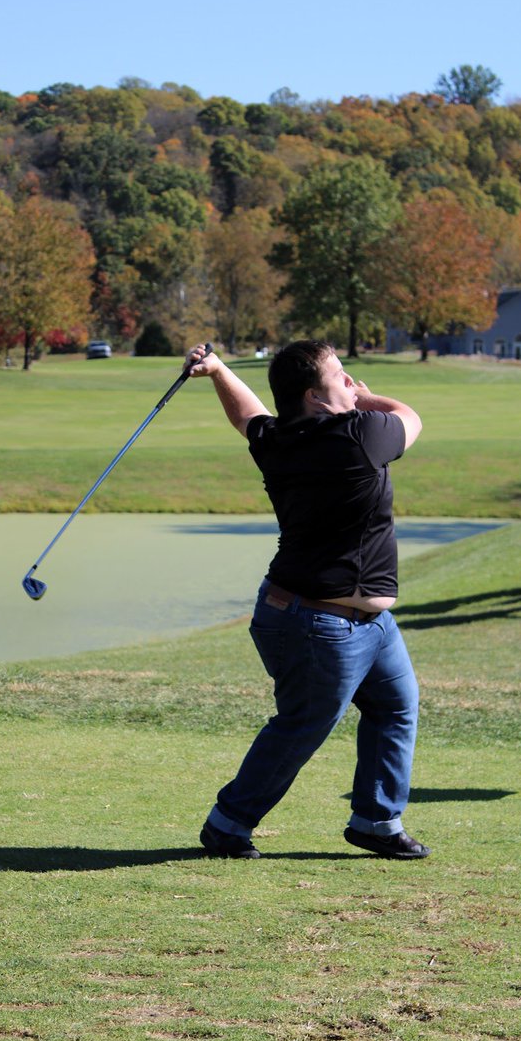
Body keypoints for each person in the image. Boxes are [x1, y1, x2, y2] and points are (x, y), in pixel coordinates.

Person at [185, 340, 429, 861]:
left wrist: (219, 371)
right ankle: (227, 823)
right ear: (315, 398)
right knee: (302, 725)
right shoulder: (360, 434)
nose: (350, 381)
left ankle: (376, 821)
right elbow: (411, 417)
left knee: (395, 706)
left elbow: (247, 416)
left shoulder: (277, 438)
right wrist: (369, 397)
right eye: (341, 376)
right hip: (319, 622)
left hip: (355, 623)